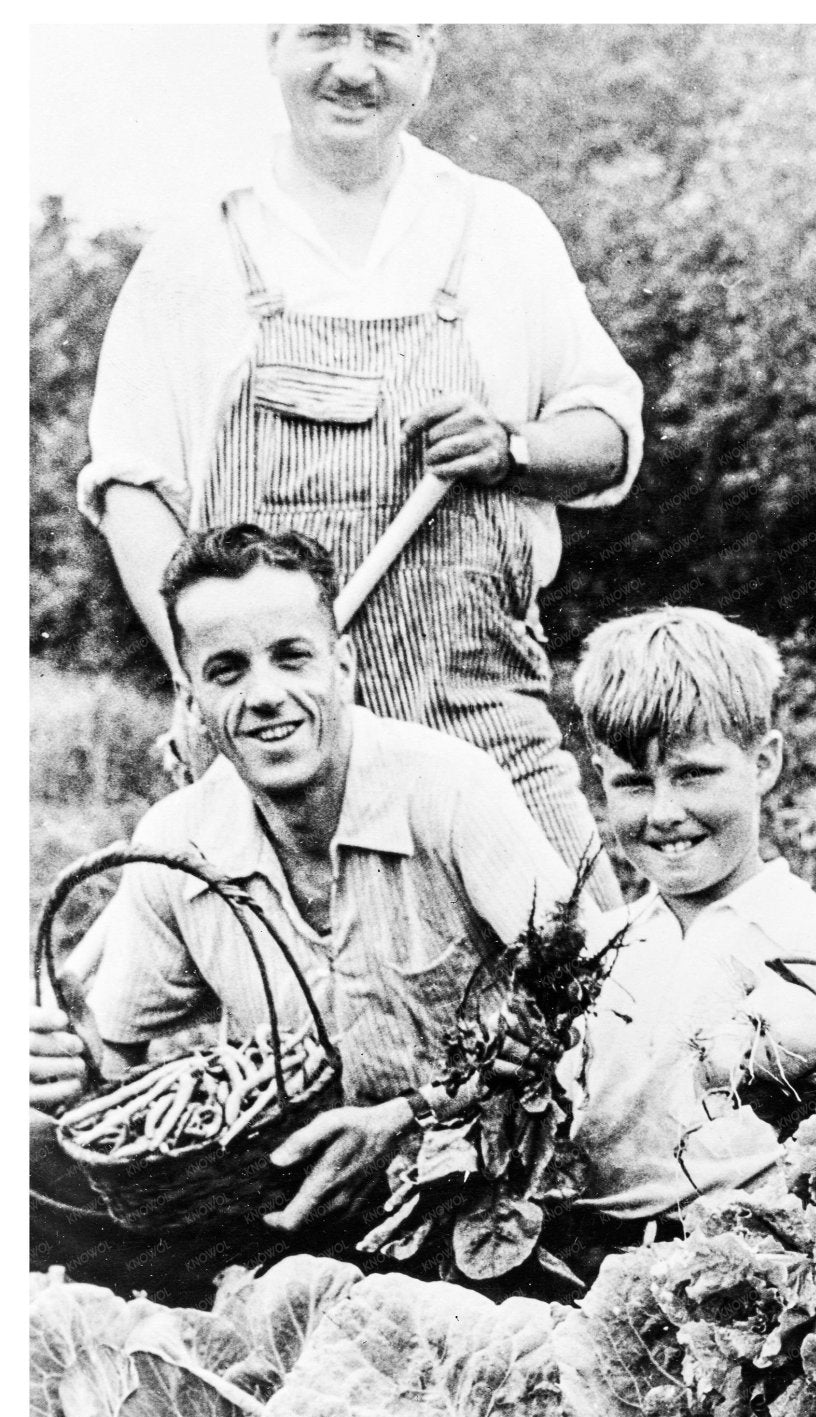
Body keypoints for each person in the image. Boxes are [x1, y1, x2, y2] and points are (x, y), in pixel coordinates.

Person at [80, 24, 641, 898]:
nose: (352, 68)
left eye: (384, 40)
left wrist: (513, 448)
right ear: (271, 47)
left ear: (429, 58)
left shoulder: (497, 227)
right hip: (276, 745)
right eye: (324, 36)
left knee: (587, 987)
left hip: (482, 728)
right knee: (281, 1015)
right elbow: (129, 487)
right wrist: (212, 674)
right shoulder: (195, 252)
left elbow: (605, 433)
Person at [28, 524, 576, 1301]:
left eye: (292, 656)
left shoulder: (450, 790)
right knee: (28, 1170)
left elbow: (582, 998)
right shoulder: (177, 842)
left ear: (342, 663)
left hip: (471, 1196)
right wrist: (76, 1072)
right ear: (192, 698)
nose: (266, 696)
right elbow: (118, 1067)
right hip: (281, 1200)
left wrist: (408, 1119)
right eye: (227, 670)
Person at [554, 606, 816, 1251]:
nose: (664, 812)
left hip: (741, 1260)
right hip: (582, 1252)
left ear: (764, 763)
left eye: (694, 775)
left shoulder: (814, 942)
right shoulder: (597, 946)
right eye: (633, 784)